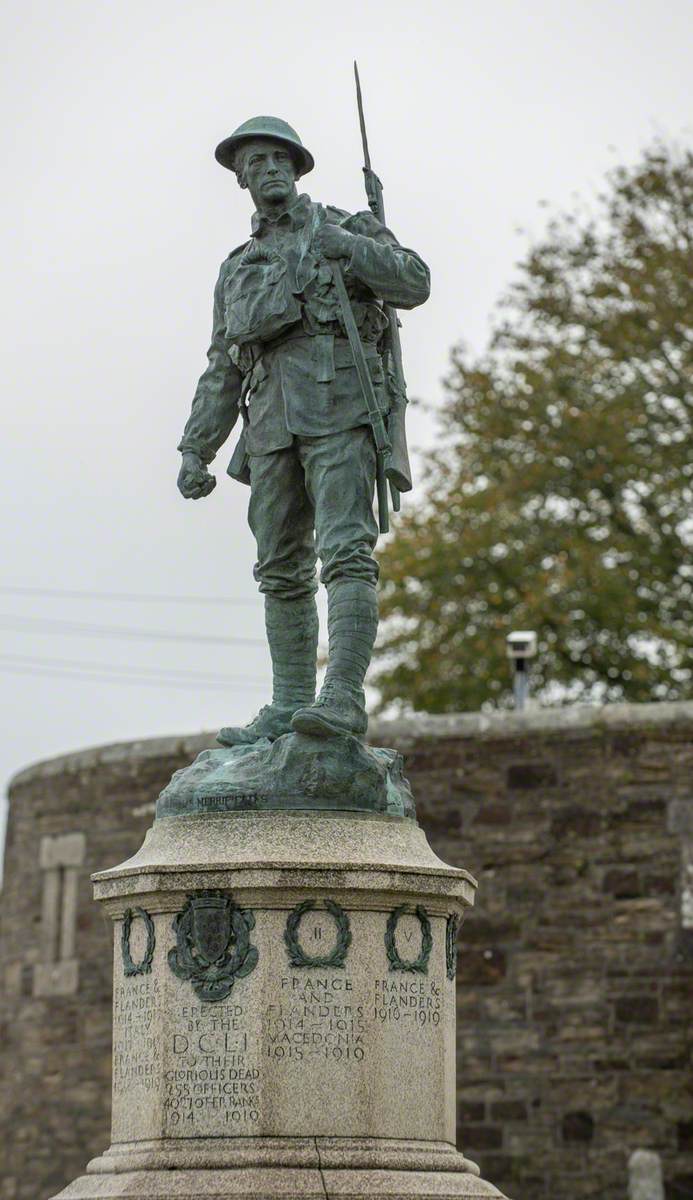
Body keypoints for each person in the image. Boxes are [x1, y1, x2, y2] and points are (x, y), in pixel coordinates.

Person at [177, 116, 430, 742]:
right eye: (253, 163)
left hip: (340, 402)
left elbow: (414, 282)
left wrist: (356, 250)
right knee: (279, 566)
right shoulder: (237, 267)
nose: (266, 169)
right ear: (241, 179)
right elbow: (222, 365)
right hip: (268, 425)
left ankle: (342, 697)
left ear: (295, 166)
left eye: (276, 158)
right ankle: (289, 702)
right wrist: (196, 447)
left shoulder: (342, 226)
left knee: (345, 551)